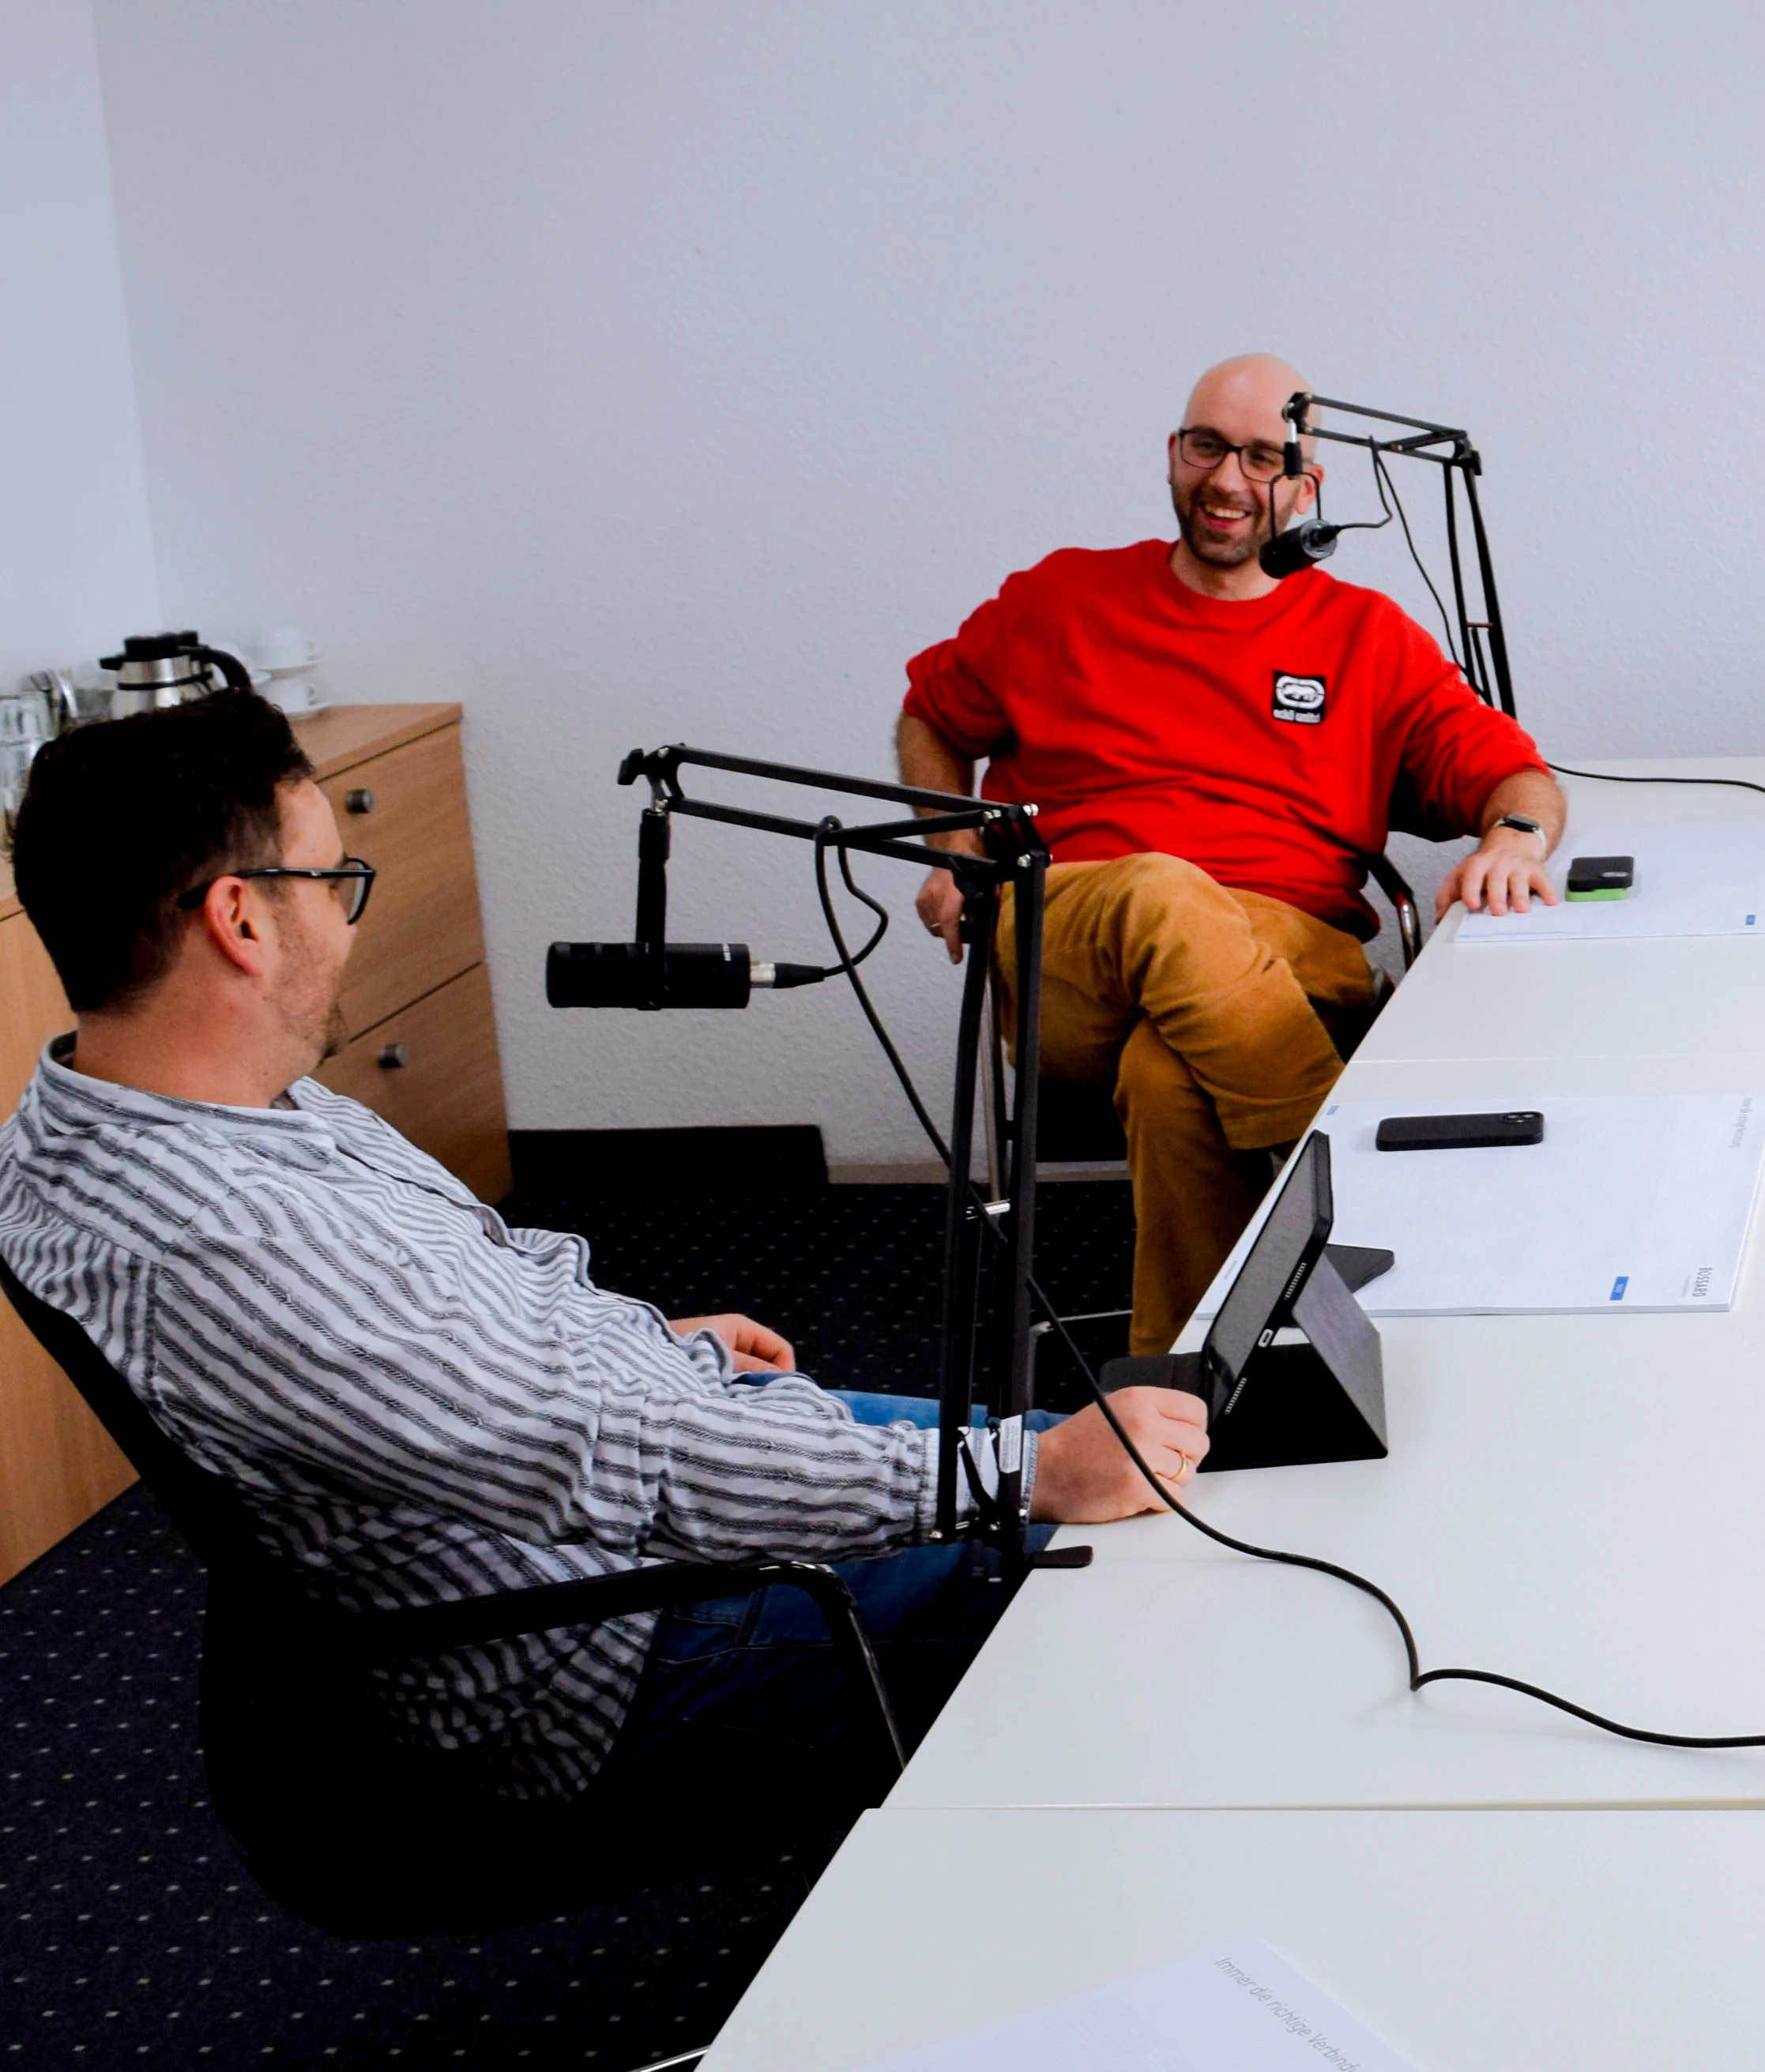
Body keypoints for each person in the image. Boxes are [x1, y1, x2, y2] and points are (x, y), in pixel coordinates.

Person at [0, 694, 1214, 1804]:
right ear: (240, 917)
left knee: (1103, 1468)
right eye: (335, 881)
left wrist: (642, 1337)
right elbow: (625, 1465)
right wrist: (1020, 1476)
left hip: (592, 1483)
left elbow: (468, 1282)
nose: (349, 922)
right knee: (1128, 1562)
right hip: (602, 1640)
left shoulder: (140, 1107)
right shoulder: (231, 1241)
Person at [899, 352, 1567, 1353]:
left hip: (1287, 944)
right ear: (1173, 451)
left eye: (1261, 457)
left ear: (1307, 486)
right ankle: (1358, 1195)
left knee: (1171, 1076)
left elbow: (1517, 777)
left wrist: (1514, 836)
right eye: (1206, 446)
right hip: (1074, 936)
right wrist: (953, 847)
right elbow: (931, 713)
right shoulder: (1061, 595)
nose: (1225, 479)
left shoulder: (1365, 635)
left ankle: (1189, 1385)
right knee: (1164, 892)